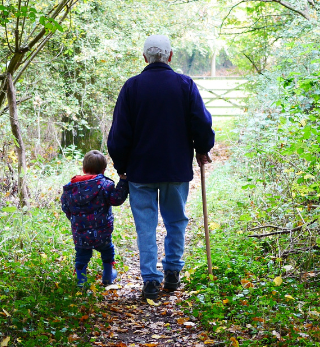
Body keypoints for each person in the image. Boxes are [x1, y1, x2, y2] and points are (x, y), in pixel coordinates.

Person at [107, 35, 215, 300]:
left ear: (145, 58)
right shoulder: (185, 84)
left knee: (146, 226)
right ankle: (172, 273)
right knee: (176, 221)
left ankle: (150, 281)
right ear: (170, 56)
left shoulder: (132, 87)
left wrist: (121, 166)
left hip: (140, 171)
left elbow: (119, 132)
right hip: (175, 169)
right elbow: (201, 122)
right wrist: (202, 148)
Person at [61, 150, 130, 288]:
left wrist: (75, 221)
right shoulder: (105, 185)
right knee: (107, 250)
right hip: (102, 231)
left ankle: (81, 282)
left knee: (81, 255)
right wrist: (123, 182)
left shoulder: (71, 188)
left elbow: (65, 207)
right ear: (103, 170)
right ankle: (108, 276)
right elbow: (116, 199)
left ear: (83, 168)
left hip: (80, 232)